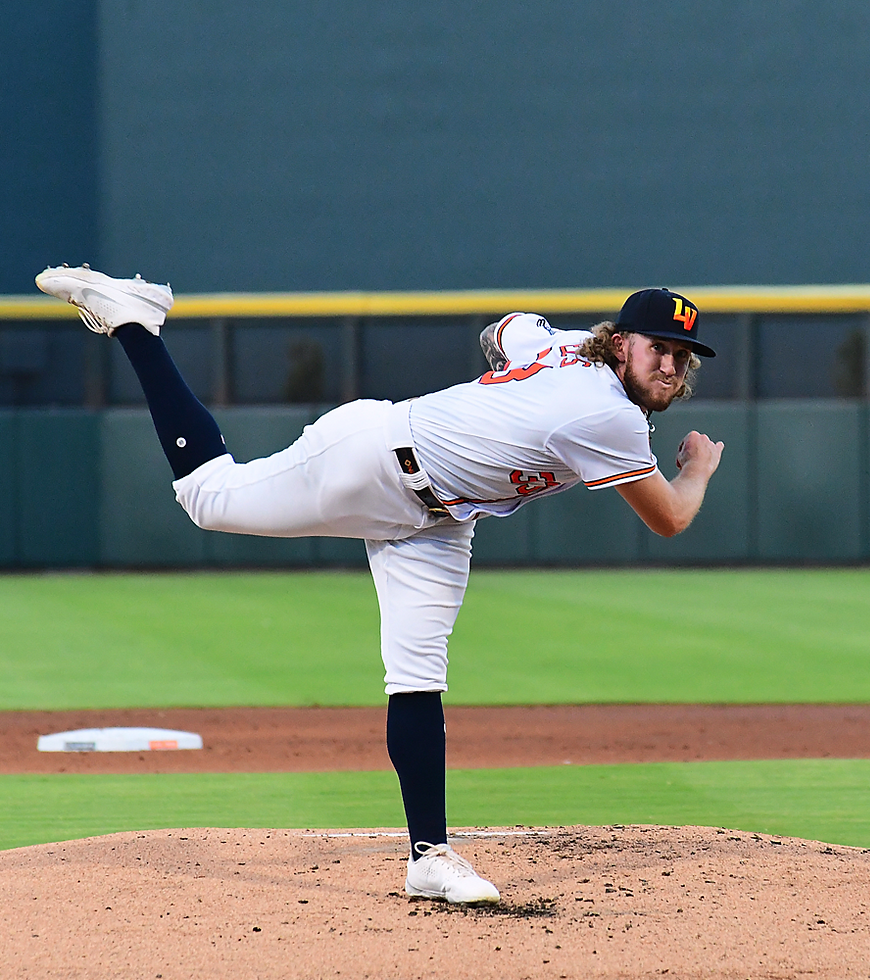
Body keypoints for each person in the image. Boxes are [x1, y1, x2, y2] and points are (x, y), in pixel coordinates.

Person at [35, 264, 724, 904]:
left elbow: (505, 329)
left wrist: (510, 396)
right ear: (622, 342)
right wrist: (696, 468)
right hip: (375, 459)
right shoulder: (609, 416)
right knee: (208, 499)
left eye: (682, 356)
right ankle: (136, 321)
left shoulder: (570, 346)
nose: (669, 364)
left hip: (441, 517)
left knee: (417, 673)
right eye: (657, 347)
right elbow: (668, 517)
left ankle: (429, 857)